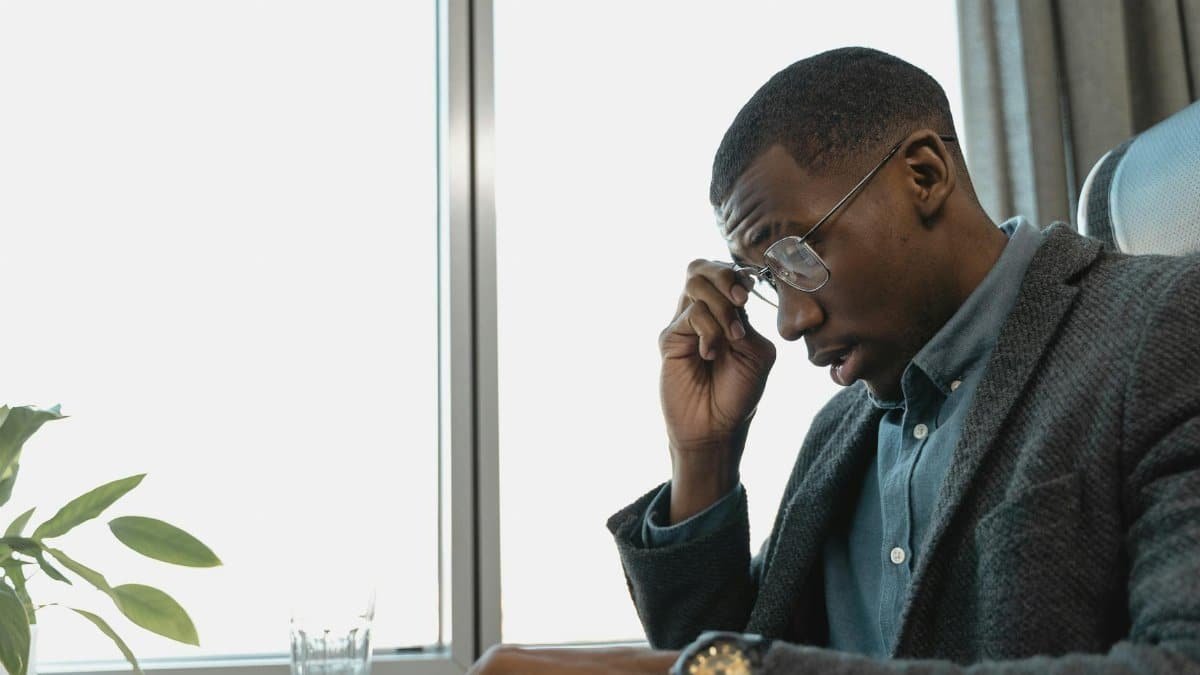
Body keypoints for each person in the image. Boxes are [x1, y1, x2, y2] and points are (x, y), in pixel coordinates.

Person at [469, 47, 1200, 674]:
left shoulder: (1165, 326)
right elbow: (733, 641)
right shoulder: (837, 433)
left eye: (796, 255)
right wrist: (704, 458)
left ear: (923, 174)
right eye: (766, 281)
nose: (790, 322)